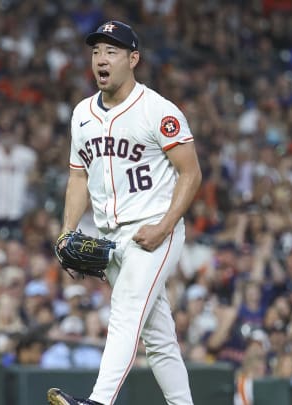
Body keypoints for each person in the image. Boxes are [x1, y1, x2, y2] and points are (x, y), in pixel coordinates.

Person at [47, 20, 201, 405]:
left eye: (111, 51)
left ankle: (98, 402)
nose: (101, 58)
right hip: (112, 237)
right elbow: (78, 177)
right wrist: (67, 229)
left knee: (127, 311)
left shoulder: (157, 110)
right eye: (96, 51)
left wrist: (165, 227)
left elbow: (191, 172)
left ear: (133, 59)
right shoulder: (82, 113)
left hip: (154, 230)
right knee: (158, 336)